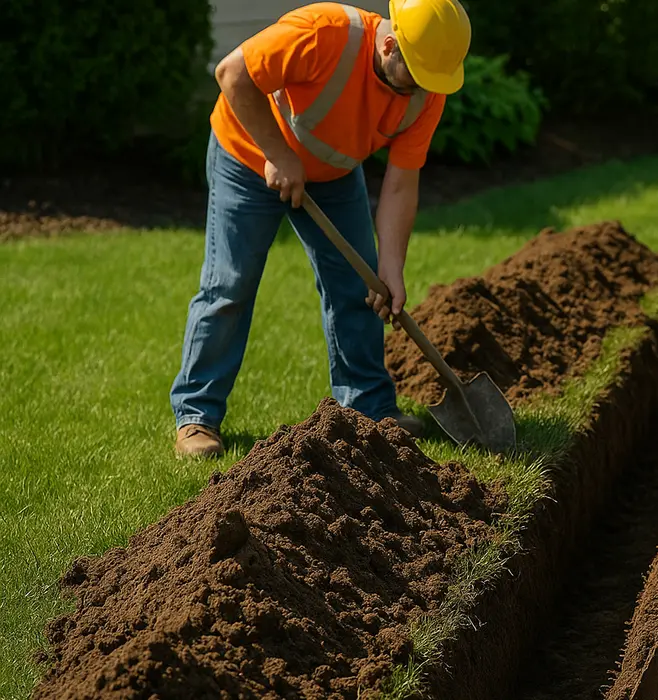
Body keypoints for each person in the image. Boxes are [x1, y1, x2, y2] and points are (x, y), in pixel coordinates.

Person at [170, 0, 471, 458]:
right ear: (390, 46)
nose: (423, 89)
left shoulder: (427, 88)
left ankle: (368, 408)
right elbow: (232, 74)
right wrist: (278, 154)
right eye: (416, 76)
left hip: (333, 173)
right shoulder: (323, 33)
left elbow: (400, 184)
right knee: (230, 285)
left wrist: (391, 266)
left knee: (361, 287)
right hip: (248, 156)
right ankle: (196, 415)